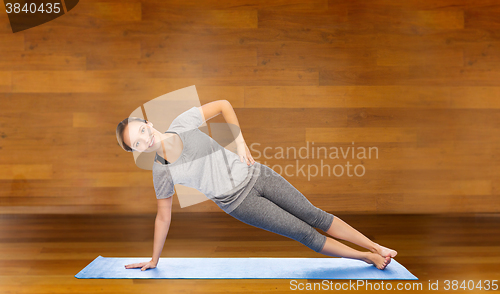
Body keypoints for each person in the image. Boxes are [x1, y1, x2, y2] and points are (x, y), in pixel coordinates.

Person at [116, 100, 397, 272]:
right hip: (240, 204)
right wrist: (154, 259)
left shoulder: (182, 123)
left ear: (148, 122)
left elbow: (223, 104)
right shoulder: (160, 171)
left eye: (142, 130)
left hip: (258, 173)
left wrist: (239, 142)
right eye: (137, 143)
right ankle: (366, 258)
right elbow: (163, 216)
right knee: (304, 234)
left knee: (315, 215)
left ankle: (377, 247)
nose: (145, 139)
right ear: (137, 151)